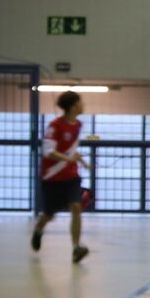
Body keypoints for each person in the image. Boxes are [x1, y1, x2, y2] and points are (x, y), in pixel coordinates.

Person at [30, 89, 91, 264]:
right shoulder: (55, 125)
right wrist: (68, 158)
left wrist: (81, 161)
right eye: (79, 102)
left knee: (76, 207)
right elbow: (48, 151)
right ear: (72, 106)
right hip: (52, 177)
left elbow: (70, 150)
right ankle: (39, 229)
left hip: (71, 176)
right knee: (49, 215)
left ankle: (76, 248)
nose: (83, 105)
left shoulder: (78, 125)